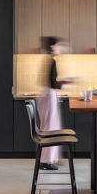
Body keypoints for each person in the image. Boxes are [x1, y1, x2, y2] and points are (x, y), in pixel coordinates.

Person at [36, 36, 70, 170]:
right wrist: (65, 85)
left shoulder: (46, 60)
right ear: (52, 47)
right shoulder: (51, 60)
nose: (60, 48)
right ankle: (46, 161)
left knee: (48, 127)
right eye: (59, 46)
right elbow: (52, 82)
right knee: (51, 128)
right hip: (49, 95)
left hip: (45, 95)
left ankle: (46, 159)